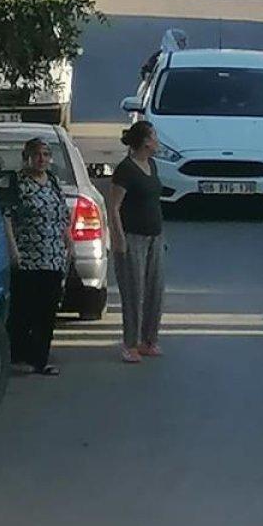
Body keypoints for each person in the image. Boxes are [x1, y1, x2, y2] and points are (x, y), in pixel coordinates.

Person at [2, 138, 70, 376]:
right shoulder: (18, 183)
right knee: (24, 308)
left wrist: (67, 243)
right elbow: (7, 216)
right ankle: (19, 357)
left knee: (47, 310)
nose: (41, 159)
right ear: (26, 157)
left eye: (45, 154)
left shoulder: (52, 181)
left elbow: (62, 214)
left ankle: (40, 359)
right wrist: (13, 248)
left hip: (52, 256)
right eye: (37, 154)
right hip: (28, 256)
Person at [108, 121, 165, 364]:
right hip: (132, 238)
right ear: (145, 141)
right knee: (134, 291)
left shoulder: (151, 165)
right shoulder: (126, 169)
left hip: (155, 236)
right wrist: (119, 238)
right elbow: (113, 207)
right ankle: (129, 343)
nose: (158, 141)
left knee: (155, 290)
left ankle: (148, 339)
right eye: (154, 137)